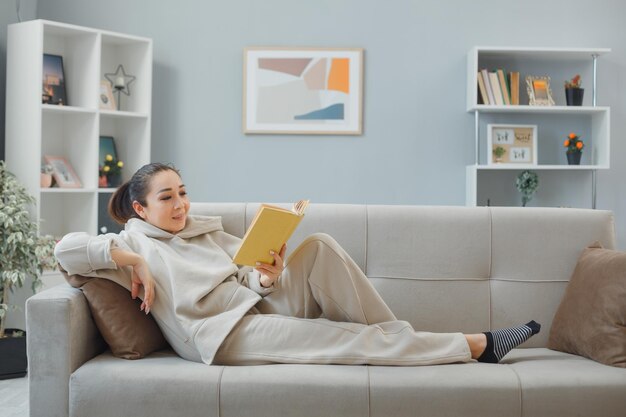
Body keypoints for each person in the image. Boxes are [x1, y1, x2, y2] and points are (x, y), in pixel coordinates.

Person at [54, 163, 540, 366]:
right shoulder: (129, 244)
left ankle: (403, 342)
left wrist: (267, 275)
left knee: (321, 246)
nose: (180, 204)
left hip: (254, 305)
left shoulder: (202, 228)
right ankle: (476, 346)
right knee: (337, 338)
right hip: (223, 334)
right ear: (140, 209)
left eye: (182, 192)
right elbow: (64, 249)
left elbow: (249, 278)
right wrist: (129, 256)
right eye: (167, 197)